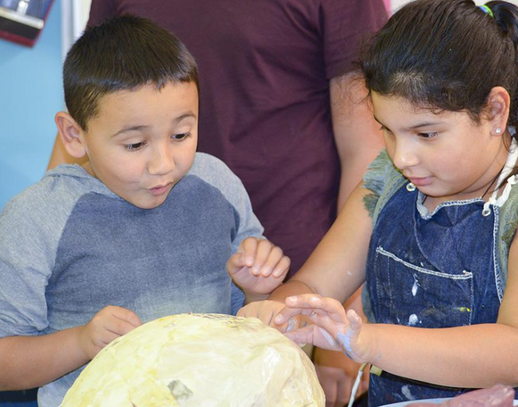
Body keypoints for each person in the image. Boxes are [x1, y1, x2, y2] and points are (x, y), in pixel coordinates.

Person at [46, 1, 388, 404]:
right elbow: (93, 104)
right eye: (138, 144)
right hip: (138, 298)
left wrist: (341, 328)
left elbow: (368, 159)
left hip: (289, 292)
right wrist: (45, 225)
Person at [0, 15, 290, 407]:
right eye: (134, 145)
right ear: (75, 135)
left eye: (180, 135)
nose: (163, 163)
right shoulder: (37, 218)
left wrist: (254, 291)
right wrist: (81, 342)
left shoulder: (217, 183)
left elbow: (241, 325)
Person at [239, 0, 518, 405]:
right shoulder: (387, 182)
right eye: (387, 130)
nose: (401, 157)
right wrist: (278, 314)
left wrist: (366, 341)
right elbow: (315, 285)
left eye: (425, 134)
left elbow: (514, 349)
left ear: (495, 110)